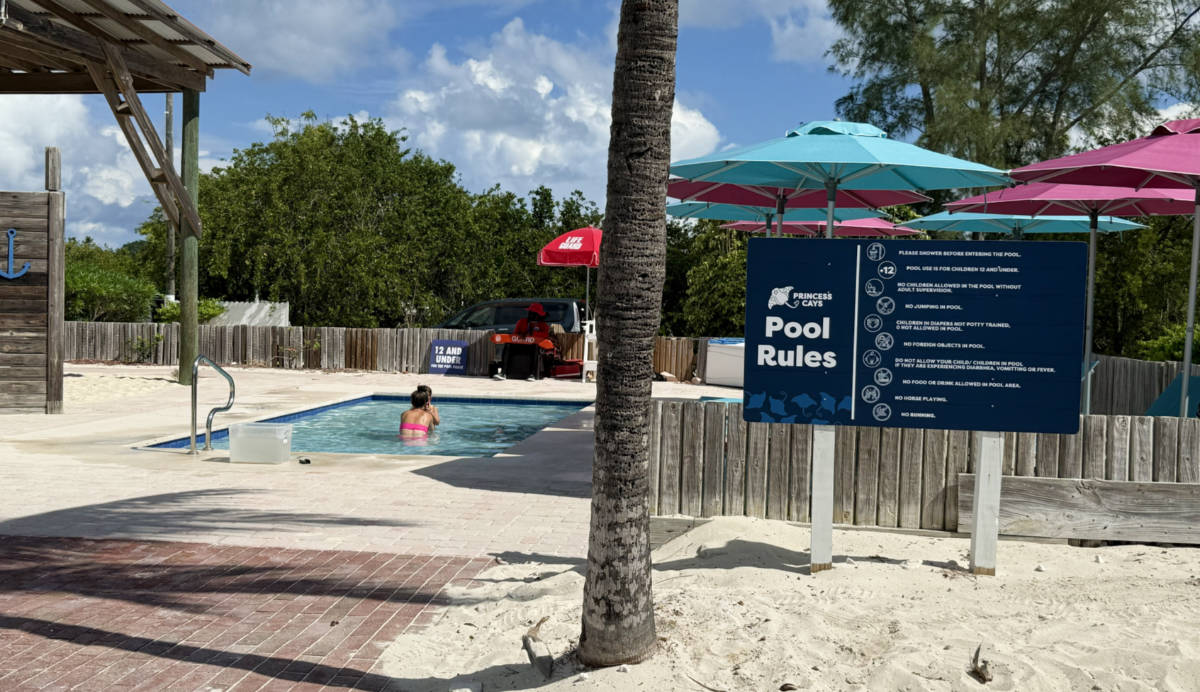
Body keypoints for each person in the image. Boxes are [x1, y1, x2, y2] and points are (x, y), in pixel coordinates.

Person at [494, 303, 551, 381]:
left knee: (535, 348)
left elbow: (545, 336)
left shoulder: (543, 325)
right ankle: (503, 373)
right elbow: (514, 336)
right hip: (520, 346)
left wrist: (532, 333)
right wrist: (521, 335)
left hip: (533, 348)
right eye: (530, 312)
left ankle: (532, 375)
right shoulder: (522, 321)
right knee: (508, 345)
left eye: (533, 313)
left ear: (538, 315)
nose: (531, 315)